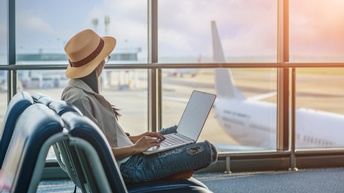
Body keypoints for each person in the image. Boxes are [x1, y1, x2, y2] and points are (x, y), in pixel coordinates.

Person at [61, 29, 218, 184]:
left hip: (126, 155)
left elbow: (105, 139)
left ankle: (168, 168)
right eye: (105, 58)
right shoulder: (80, 100)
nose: (104, 63)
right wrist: (135, 148)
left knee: (178, 131)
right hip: (128, 167)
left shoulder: (77, 90)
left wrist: (136, 138)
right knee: (207, 151)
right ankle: (167, 175)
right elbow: (93, 152)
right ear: (97, 64)